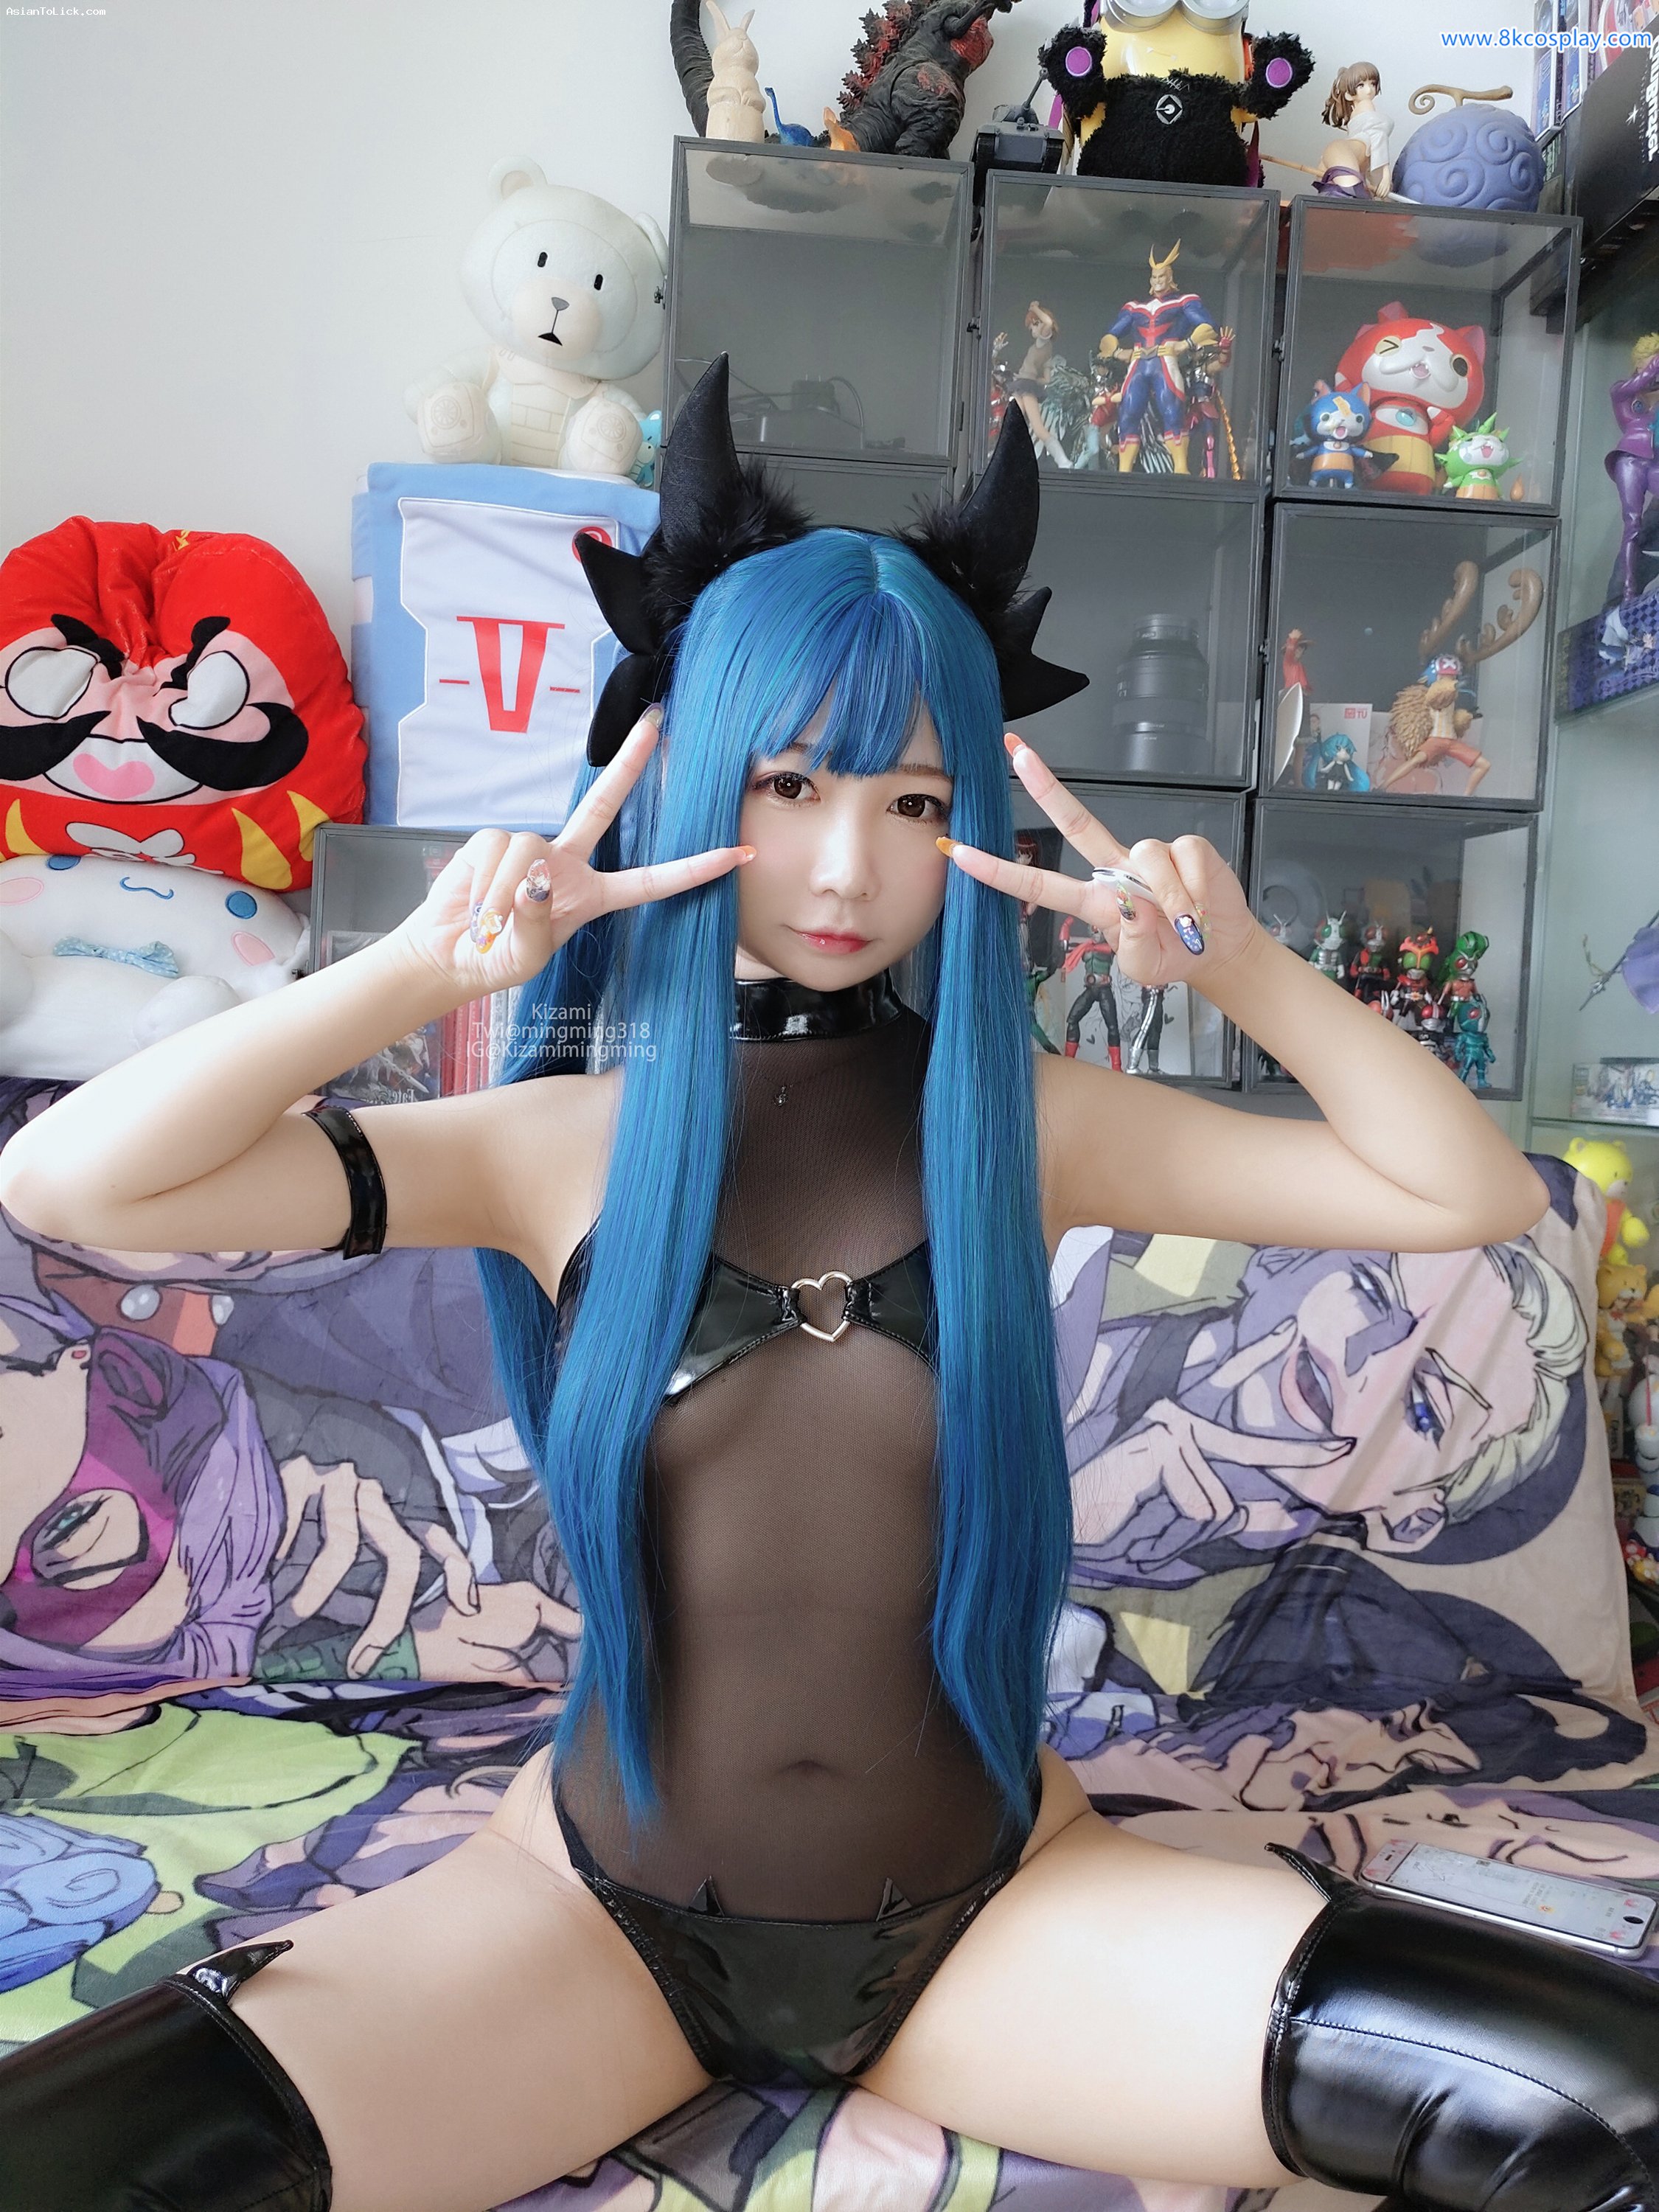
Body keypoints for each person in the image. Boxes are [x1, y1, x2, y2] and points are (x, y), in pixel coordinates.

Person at [0, 362, 1653, 2212]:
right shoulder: (554, 1139)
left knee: (1609, 2104)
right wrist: (414, 973)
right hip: (594, 1930)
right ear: (697, 773)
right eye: (790, 784)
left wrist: (1246, 971)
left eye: (914, 798)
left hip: (998, 1927)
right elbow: (70, 1181)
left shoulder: (1027, 1122)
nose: (849, 865)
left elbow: (1464, 1190)